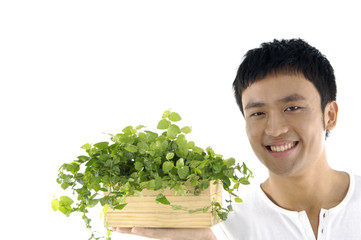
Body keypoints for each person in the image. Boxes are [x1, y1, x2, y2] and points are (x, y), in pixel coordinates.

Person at [113, 39, 361, 239]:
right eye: (258, 113)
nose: (274, 129)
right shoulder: (223, 227)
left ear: (329, 115)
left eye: (292, 108)